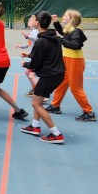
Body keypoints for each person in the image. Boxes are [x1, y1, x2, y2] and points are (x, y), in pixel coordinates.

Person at [19, 11, 66, 144]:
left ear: (38, 23)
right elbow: (46, 54)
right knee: (37, 99)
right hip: (57, 74)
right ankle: (35, 126)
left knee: (36, 103)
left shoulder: (40, 41)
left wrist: (25, 64)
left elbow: (35, 63)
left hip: (49, 76)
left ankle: (56, 134)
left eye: (33, 18)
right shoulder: (53, 37)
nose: (31, 19)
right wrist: (29, 55)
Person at [45, 10, 96, 122]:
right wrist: (56, 22)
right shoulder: (71, 29)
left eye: (65, 15)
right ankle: (55, 106)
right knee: (62, 83)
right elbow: (63, 34)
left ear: (72, 19)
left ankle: (88, 112)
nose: (63, 16)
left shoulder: (77, 31)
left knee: (75, 88)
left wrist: (59, 40)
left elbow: (75, 45)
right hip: (68, 60)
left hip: (75, 61)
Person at [15, 14, 39, 97]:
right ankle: (35, 89)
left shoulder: (35, 31)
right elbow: (30, 43)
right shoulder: (32, 32)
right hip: (33, 57)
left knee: (31, 75)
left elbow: (34, 38)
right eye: (29, 19)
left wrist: (27, 36)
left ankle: (41, 93)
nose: (29, 20)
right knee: (28, 73)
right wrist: (21, 46)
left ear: (37, 23)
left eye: (32, 19)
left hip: (37, 58)